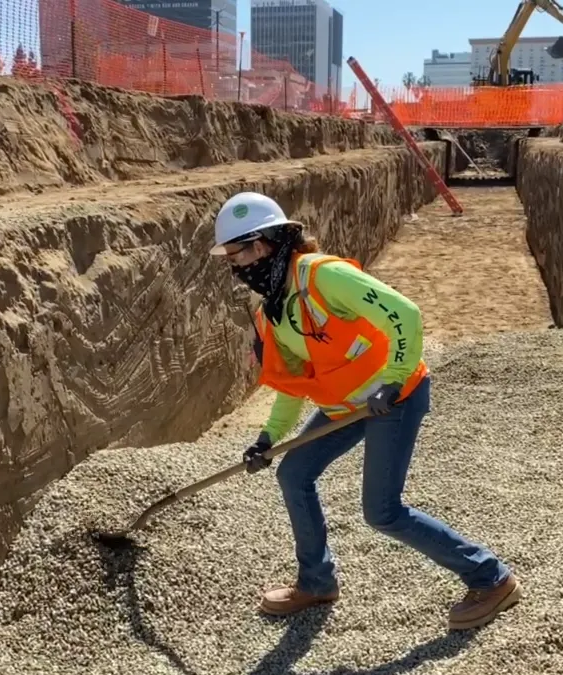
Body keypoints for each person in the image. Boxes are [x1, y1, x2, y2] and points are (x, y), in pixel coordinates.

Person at [210, 191, 521, 630]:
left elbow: (405, 314)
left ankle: (491, 578)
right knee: (293, 474)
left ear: (260, 245)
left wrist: (394, 379)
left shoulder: (324, 278)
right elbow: (293, 385)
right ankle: (316, 582)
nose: (234, 267)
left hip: (393, 399)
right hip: (345, 406)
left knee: (383, 511)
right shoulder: (274, 311)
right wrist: (268, 439)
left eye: (234, 254)